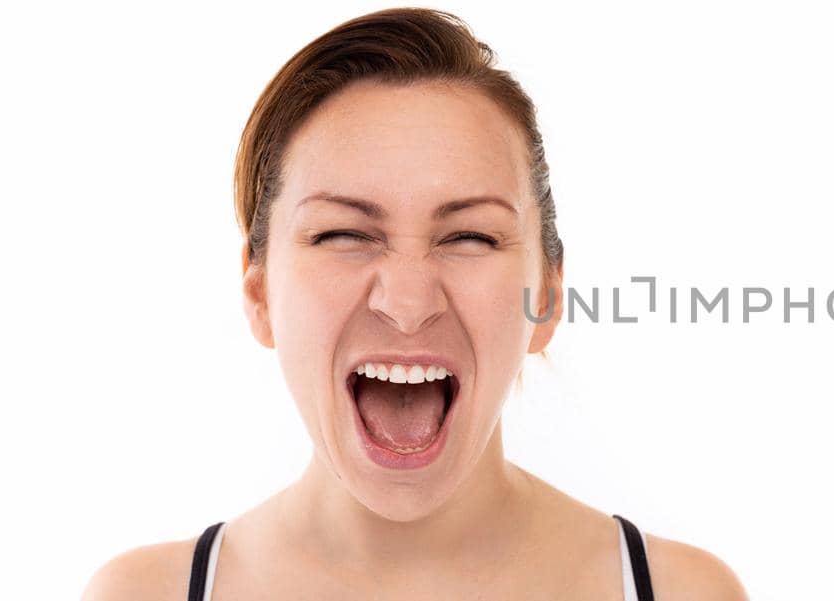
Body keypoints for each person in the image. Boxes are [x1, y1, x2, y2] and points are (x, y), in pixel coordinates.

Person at [83, 8, 747, 600]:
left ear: (545, 295)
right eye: (342, 234)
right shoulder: (143, 594)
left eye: (470, 235)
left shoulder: (683, 591)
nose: (406, 302)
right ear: (259, 293)